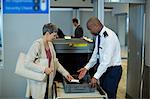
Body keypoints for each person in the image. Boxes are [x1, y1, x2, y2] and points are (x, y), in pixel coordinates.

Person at [25, 23, 74, 99]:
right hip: (38, 84)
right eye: (54, 35)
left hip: (48, 82)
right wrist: (44, 69)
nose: (55, 37)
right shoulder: (37, 44)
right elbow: (27, 63)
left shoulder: (50, 44)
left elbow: (55, 62)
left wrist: (66, 74)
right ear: (47, 34)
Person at [77, 17, 122, 99]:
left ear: (96, 26)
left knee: (109, 95)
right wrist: (86, 68)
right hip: (104, 70)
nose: (90, 32)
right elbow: (95, 55)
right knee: (103, 93)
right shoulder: (99, 36)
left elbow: (106, 61)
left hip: (113, 71)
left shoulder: (109, 37)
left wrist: (95, 77)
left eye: (90, 29)